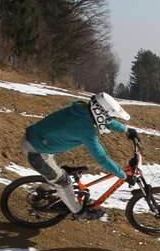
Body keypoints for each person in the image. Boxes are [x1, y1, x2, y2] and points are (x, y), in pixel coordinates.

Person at [21, 92, 139, 221]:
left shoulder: (82, 110)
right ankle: (80, 213)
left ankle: (42, 193)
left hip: (36, 140)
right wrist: (123, 176)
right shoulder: (86, 129)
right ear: (99, 112)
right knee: (64, 182)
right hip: (36, 152)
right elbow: (101, 158)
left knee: (56, 176)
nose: (108, 120)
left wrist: (124, 130)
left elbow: (103, 119)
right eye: (108, 116)